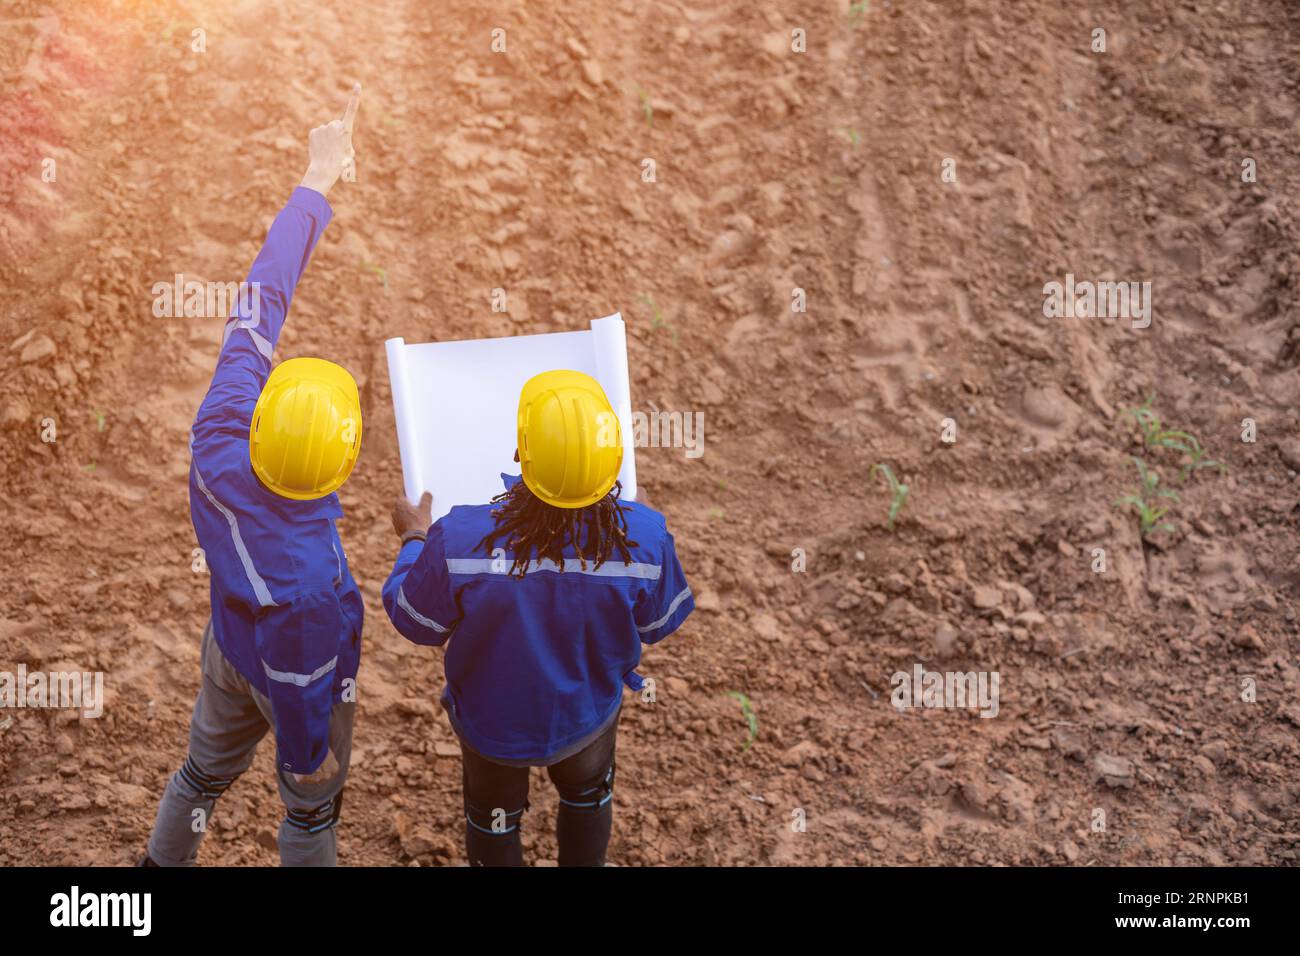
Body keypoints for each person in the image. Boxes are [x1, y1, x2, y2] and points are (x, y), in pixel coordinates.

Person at [141, 84, 365, 867]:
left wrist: (317, 179)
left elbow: (261, 297)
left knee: (201, 776)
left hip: (227, 647)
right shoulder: (307, 579)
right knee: (309, 820)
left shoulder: (221, 431)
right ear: (341, 466)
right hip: (287, 674)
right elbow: (302, 678)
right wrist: (307, 759)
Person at [383, 370, 695, 866]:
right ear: (613, 458)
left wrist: (413, 540)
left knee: (493, 818)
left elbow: (415, 621)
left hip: (492, 726)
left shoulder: (459, 538)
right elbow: (657, 624)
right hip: (587, 718)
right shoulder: (645, 538)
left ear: (519, 454)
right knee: (588, 796)